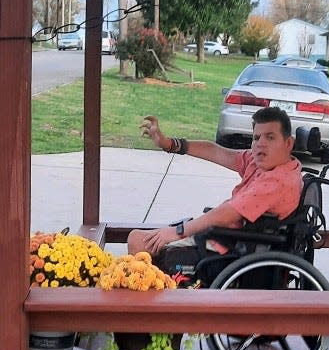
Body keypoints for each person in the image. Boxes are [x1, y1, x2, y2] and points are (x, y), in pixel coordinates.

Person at [127, 106, 303, 261]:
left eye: (270, 137)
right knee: (145, 238)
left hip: (227, 247)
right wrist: (169, 144)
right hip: (227, 237)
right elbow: (217, 152)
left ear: (288, 143)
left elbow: (227, 214)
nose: (260, 144)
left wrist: (178, 231)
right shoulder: (269, 163)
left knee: (138, 241)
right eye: (256, 138)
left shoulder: (278, 181)